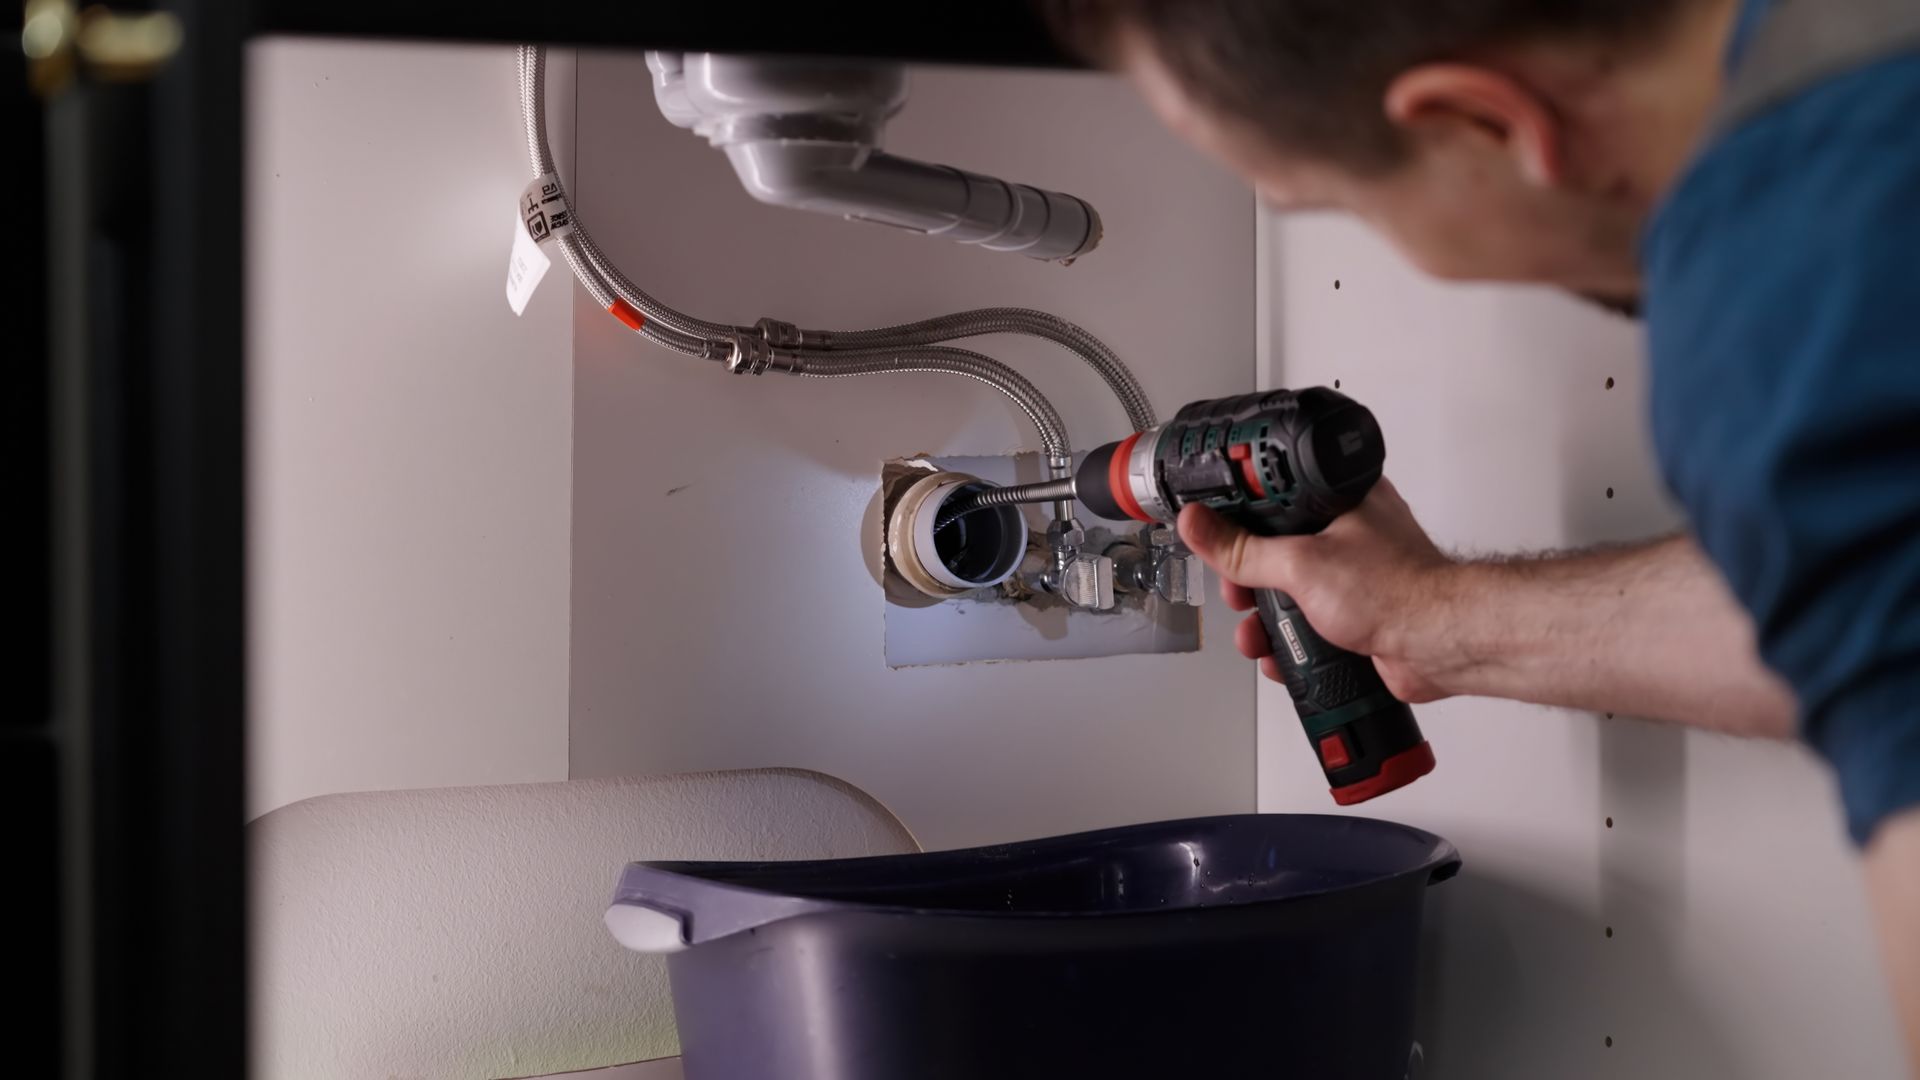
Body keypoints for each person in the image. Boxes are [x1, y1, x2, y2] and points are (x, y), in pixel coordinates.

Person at [1040, 0, 1920, 1068]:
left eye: (1349, 203)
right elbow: (1857, 598)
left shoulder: (1797, 284)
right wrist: (1432, 618)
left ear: (1480, 122)